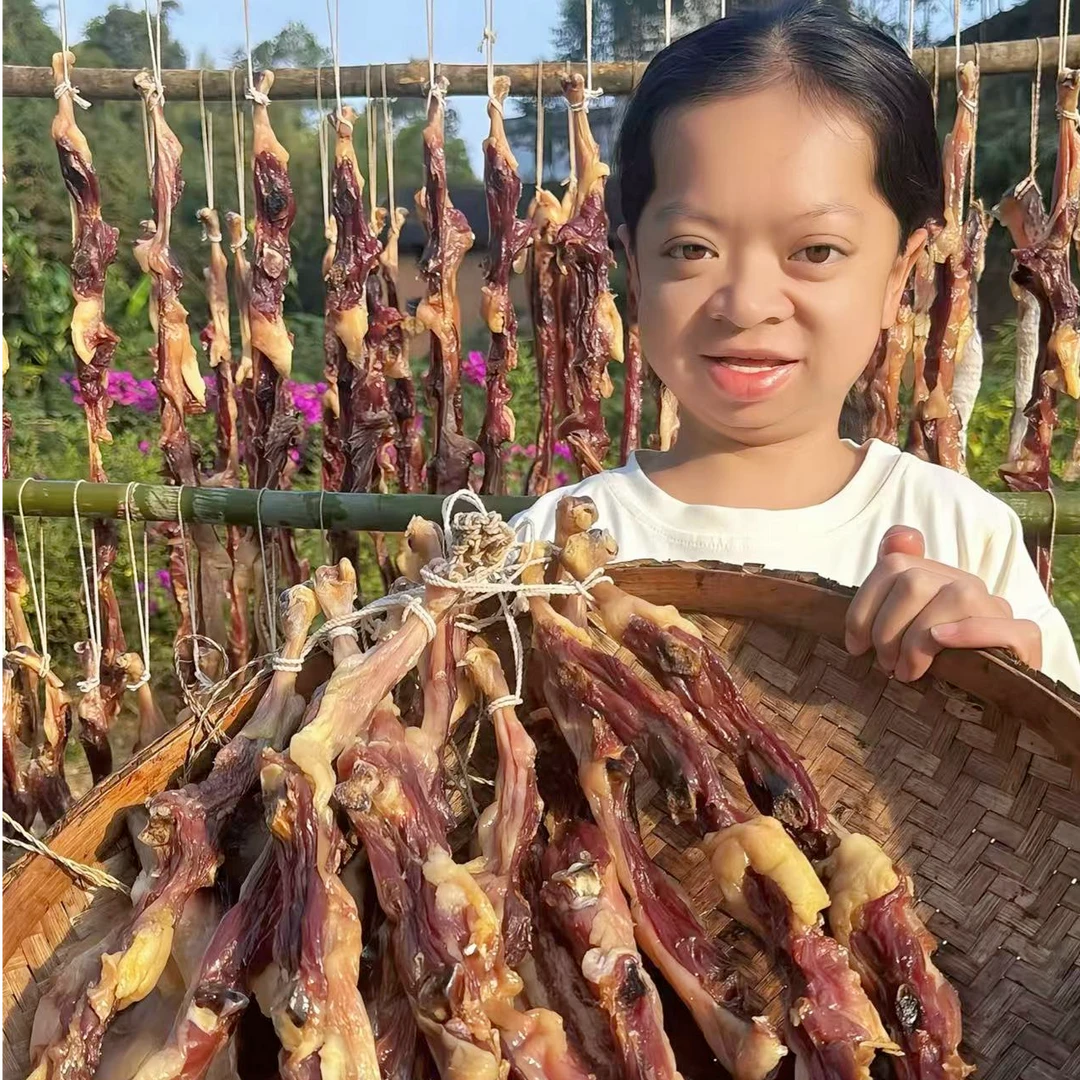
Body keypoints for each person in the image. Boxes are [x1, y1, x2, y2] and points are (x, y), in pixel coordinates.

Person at [513, 0, 1080, 691]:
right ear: (634, 270)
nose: (747, 303)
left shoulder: (962, 536)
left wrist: (1011, 691)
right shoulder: (547, 550)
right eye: (692, 248)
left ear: (898, 275)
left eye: (816, 250)